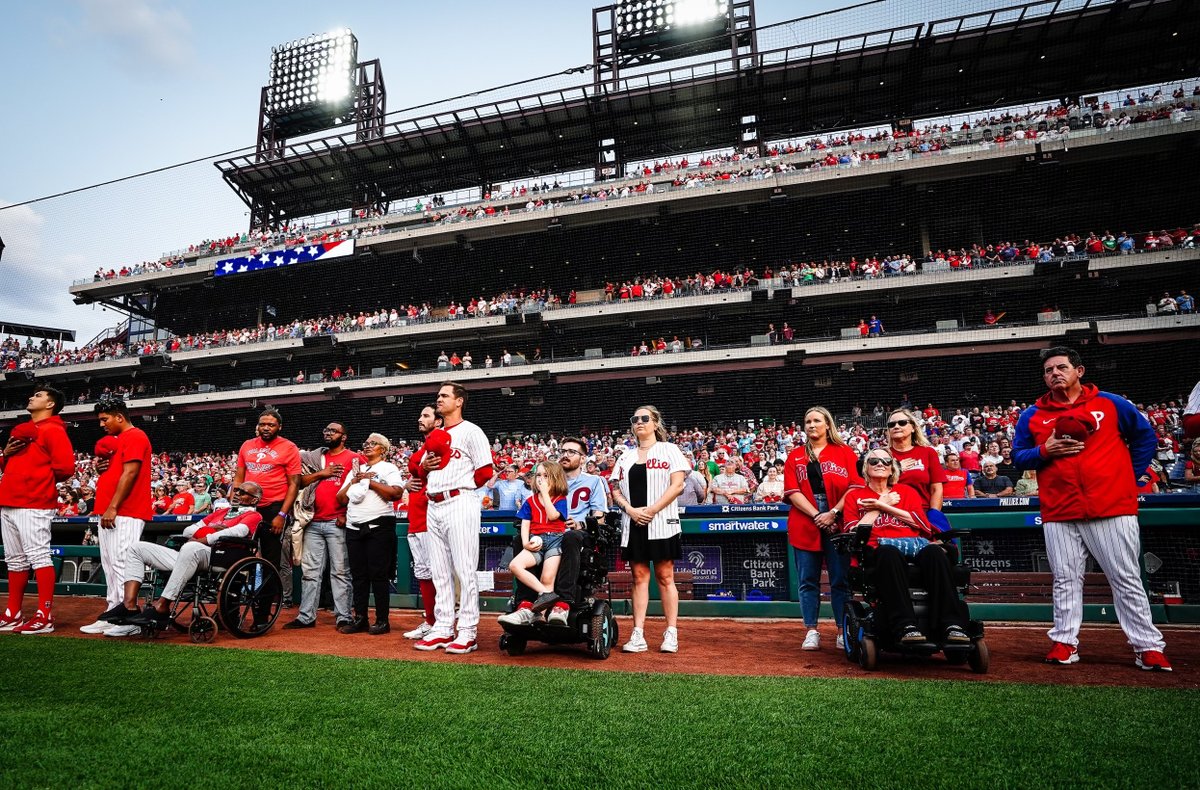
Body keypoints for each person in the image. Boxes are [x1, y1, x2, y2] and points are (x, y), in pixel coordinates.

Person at [1013, 346, 1170, 671]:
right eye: (1048, 370)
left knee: (1125, 577)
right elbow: (1018, 457)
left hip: (1111, 505)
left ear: (1079, 371)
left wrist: (1128, 477)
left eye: (1061, 367)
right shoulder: (1033, 415)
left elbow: (1145, 438)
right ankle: (1064, 642)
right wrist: (1045, 449)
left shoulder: (1110, 403)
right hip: (1059, 509)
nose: (1054, 373)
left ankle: (1148, 646)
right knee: (1065, 579)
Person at [842, 449, 971, 646]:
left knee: (935, 552)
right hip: (878, 547)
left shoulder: (906, 492)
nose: (880, 464)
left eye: (886, 461)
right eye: (874, 460)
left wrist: (885, 507)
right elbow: (855, 532)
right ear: (866, 468)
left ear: (892, 468)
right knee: (888, 553)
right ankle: (905, 625)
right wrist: (879, 504)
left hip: (914, 543)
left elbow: (921, 525)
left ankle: (952, 625)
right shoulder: (855, 496)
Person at [115, 483, 265, 634]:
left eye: (243, 492)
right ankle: (129, 606)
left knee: (189, 547)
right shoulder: (222, 512)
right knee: (137, 548)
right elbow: (188, 530)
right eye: (236, 490)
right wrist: (212, 530)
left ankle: (163, 605)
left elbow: (237, 532)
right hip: (192, 554)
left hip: (220, 556)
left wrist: (203, 539)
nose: (237, 493)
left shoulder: (254, 515)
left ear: (254, 500)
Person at [415, 381, 494, 655]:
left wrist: (462, 485)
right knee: (439, 571)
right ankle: (443, 626)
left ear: (459, 401)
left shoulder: (472, 431)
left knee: (464, 569)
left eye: (444, 395)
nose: (439, 399)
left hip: (460, 501)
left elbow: (485, 471)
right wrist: (424, 467)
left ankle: (468, 631)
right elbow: (422, 471)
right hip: (433, 503)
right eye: (438, 395)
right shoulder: (434, 434)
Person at [500, 436, 609, 626]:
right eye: (563, 451)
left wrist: (580, 524)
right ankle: (525, 604)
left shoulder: (594, 481)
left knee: (571, 537)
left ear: (583, 458)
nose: (565, 455)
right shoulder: (547, 479)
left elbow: (600, 517)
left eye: (571, 452)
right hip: (543, 532)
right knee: (519, 539)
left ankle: (562, 603)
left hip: (574, 533)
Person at [783, 406, 863, 651]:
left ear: (828, 424)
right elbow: (792, 492)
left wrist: (833, 513)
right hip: (806, 517)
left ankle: (842, 630)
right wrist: (818, 514)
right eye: (807, 421)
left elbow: (855, 486)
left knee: (840, 580)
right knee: (808, 580)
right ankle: (811, 630)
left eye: (816, 420)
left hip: (838, 517)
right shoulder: (795, 455)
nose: (811, 425)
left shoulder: (845, 452)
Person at [610, 405, 688, 654]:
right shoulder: (625, 456)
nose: (639, 422)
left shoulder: (669, 450)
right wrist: (631, 510)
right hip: (633, 523)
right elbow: (615, 489)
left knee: (665, 576)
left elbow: (677, 486)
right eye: (635, 419)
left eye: (645, 418)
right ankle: (638, 633)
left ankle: (671, 632)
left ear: (656, 423)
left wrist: (652, 510)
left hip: (662, 521)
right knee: (639, 577)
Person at [0, 387, 76, 634]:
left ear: (51, 403)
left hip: (34, 502)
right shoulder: (24, 431)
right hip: (9, 500)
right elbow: (10, 464)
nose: (32, 397)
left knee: (39, 557)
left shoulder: (54, 429)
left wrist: (37, 481)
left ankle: (45, 615)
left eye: (39, 395)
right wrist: (5, 455)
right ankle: (14, 613)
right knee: (14, 560)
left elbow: (65, 468)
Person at [81, 398, 154, 635]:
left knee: (124, 563)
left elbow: (131, 472)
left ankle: (130, 618)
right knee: (110, 564)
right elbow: (116, 471)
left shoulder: (135, 436)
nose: (102, 424)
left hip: (126, 510)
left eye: (105, 419)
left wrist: (113, 506)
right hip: (109, 509)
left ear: (120, 417)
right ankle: (113, 611)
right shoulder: (117, 441)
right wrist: (100, 469)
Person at [283, 422, 358, 631]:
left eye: (333, 431)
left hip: (337, 521)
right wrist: (321, 473)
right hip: (313, 521)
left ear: (343, 437)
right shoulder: (315, 457)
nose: (328, 433)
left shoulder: (354, 458)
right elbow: (299, 482)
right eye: (326, 430)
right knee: (310, 572)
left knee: (341, 572)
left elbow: (361, 487)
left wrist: (345, 513)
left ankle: (343, 616)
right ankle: (306, 616)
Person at [232, 408, 301, 607]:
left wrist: (282, 514)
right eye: (262, 424)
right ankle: (233, 606)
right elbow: (239, 476)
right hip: (247, 507)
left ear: (279, 426)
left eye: (271, 424)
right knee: (238, 556)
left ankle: (263, 611)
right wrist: (234, 503)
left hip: (273, 508)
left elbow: (294, 484)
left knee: (270, 561)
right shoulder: (247, 445)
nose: (266, 428)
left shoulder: (289, 447)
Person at [336, 433, 404, 635]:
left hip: (379, 526)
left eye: (373, 444)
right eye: (365, 443)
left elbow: (396, 493)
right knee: (358, 576)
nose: (367, 446)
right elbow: (340, 499)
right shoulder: (356, 470)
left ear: (383, 449)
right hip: (354, 527)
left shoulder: (389, 468)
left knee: (379, 575)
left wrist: (370, 482)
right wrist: (354, 481)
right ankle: (361, 619)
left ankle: (383, 621)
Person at [401, 405, 447, 640]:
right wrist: (411, 479)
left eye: (426, 416)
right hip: (416, 519)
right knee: (423, 572)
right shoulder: (423, 447)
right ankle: (431, 620)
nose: (420, 419)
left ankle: (442, 622)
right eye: (420, 415)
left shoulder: (441, 441)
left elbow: (428, 470)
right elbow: (417, 471)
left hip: (432, 518)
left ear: (438, 421)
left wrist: (418, 471)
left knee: (437, 573)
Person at [501, 461, 569, 621]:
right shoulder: (530, 501)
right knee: (515, 565)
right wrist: (525, 543)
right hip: (535, 541)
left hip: (555, 540)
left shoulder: (561, 498)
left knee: (547, 578)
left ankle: (541, 615)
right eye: (538, 475)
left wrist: (545, 493)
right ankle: (546, 594)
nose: (540, 479)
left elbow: (553, 516)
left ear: (556, 478)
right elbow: (525, 523)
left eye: (546, 476)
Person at [886, 408, 946, 510]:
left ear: (913, 427)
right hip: (890, 512)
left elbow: (936, 489)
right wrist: (898, 469)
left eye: (902, 423)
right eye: (892, 424)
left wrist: (934, 514)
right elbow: (875, 486)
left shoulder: (928, 452)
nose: (896, 426)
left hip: (922, 511)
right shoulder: (882, 455)